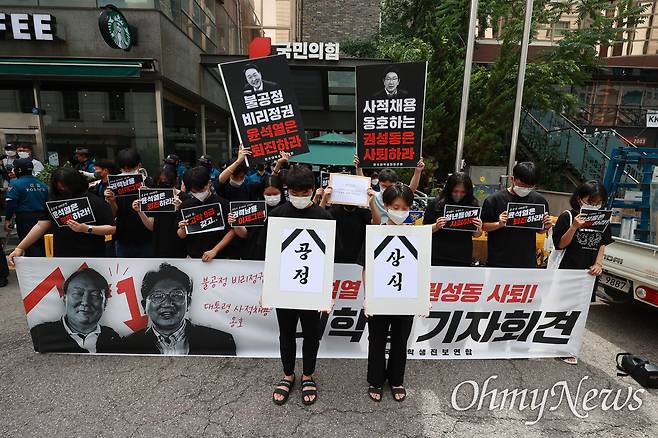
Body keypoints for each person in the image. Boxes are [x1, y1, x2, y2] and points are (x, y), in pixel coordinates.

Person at [263, 165, 335, 406]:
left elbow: (328, 258)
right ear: (287, 190)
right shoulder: (277, 215)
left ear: (313, 190)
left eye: (305, 193)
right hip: (284, 287)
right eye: (295, 192)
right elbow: (270, 255)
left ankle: (307, 375)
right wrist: (267, 288)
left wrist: (327, 292)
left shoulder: (324, 217)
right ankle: (287, 375)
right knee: (286, 332)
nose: (300, 197)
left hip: (312, 289)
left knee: (311, 334)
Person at [358, 183, 415, 402]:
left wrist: (422, 296)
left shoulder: (415, 236)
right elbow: (366, 269)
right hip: (379, 298)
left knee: (401, 341)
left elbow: (420, 270)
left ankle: (396, 380)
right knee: (377, 340)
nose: (400, 212)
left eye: (405, 208)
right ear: (386, 206)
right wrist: (368, 297)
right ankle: (375, 379)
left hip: (405, 298)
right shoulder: (375, 233)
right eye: (395, 207)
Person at [551, 180, 612, 365]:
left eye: (599, 202)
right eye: (591, 201)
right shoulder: (568, 216)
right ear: (579, 199)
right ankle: (555, 342)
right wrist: (574, 227)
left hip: (588, 273)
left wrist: (598, 263)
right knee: (561, 307)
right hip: (568, 270)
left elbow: (602, 243)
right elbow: (560, 245)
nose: (595, 206)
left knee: (580, 310)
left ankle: (569, 346)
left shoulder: (602, 218)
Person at [121, 263, 236, 355]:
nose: (167, 303)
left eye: (176, 295)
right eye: (157, 296)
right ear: (144, 305)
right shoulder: (128, 345)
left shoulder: (220, 341)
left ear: (188, 302)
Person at [7, 168, 116, 263]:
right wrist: (20, 247)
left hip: (93, 255)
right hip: (63, 256)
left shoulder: (95, 201)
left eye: (66, 186)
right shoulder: (55, 203)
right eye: (60, 187)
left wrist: (87, 228)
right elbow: (41, 225)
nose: (63, 189)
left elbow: (111, 228)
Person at [29, 268, 121, 353]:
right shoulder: (40, 335)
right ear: (65, 299)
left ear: (105, 303)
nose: (85, 302)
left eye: (95, 295)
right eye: (78, 294)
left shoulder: (113, 338)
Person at [481, 162, 552, 268]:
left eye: (529, 187)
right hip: (499, 261)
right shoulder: (494, 200)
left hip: (526, 260)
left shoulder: (539, 201)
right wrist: (499, 224)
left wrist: (546, 227)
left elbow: (539, 230)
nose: (525, 189)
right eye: (522, 186)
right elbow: (483, 226)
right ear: (512, 179)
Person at [423, 172, 483, 266]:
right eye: (455, 191)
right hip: (437, 256)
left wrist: (479, 228)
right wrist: (436, 226)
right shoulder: (436, 203)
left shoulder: (472, 205)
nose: (458, 195)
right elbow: (424, 230)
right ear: (449, 189)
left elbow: (476, 235)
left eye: (463, 192)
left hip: (462, 257)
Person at [177, 166, 235, 261]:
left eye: (201, 190)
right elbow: (181, 235)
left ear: (209, 183)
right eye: (194, 191)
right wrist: (182, 228)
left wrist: (215, 250)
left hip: (220, 258)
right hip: (193, 258)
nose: (198, 193)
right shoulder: (185, 206)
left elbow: (232, 231)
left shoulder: (223, 203)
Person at [104, 148, 153, 258]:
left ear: (139, 165)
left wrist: (147, 195)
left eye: (130, 168)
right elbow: (113, 214)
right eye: (124, 169)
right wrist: (111, 201)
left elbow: (154, 213)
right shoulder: (114, 184)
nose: (127, 171)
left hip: (146, 237)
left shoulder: (148, 182)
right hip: (123, 237)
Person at [132, 166, 186, 258]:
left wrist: (179, 209)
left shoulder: (184, 198)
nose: (163, 183)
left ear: (175, 180)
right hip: (159, 246)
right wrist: (140, 211)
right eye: (160, 181)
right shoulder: (154, 198)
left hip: (179, 246)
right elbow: (151, 226)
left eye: (166, 180)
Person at [355, 154, 424, 224]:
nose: (386, 189)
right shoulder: (374, 196)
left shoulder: (400, 196)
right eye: (384, 186)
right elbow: (364, 184)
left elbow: (411, 189)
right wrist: (359, 169)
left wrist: (418, 171)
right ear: (379, 183)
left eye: (390, 186)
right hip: (380, 229)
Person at [4, 159, 48, 257]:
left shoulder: (15, 184)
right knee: (42, 245)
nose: (12, 170)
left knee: (29, 245)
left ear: (19, 170)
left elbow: (11, 204)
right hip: (43, 218)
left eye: (14, 168)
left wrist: (7, 220)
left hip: (25, 219)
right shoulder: (42, 184)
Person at [318, 186, 372, 264]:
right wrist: (324, 198)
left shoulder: (363, 213)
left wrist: (371, 202)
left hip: (357, 259)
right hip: (336, 258)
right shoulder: (334, 212)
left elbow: (376, 222)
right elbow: (320, 219)